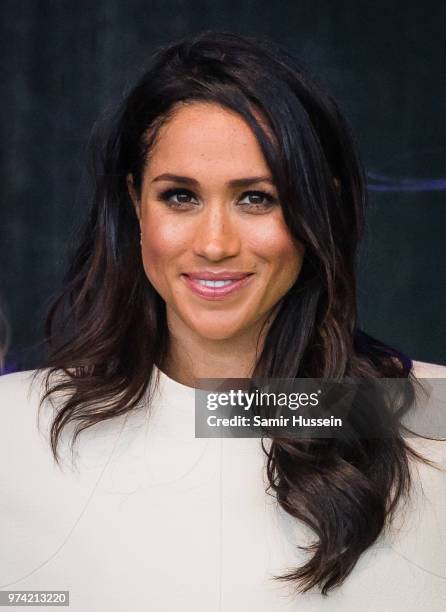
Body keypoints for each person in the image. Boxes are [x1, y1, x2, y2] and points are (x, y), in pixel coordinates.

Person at [1, 30, 445, 612]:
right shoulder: (15, 430)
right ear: (135, 202)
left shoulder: (429, 416)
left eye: (256, 198)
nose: (214, 244)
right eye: (180, 197)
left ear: (322, 207)